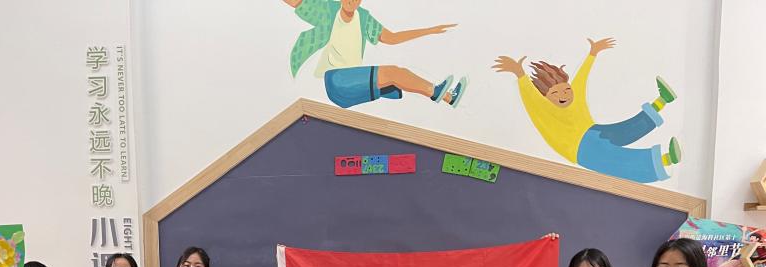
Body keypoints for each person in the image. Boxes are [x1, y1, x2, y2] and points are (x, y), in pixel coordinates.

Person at [494, 38, 681, 183]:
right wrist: (520, 73)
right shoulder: (544, 109)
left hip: (591, 132)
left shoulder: (575, 96)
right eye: (555, 93)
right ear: (546, 97)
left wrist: (593, 53)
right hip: (580, 149)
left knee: (626, 129)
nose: (564, 95)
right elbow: (531, 98)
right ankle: (666, 160)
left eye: (566, 89)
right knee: (618, 160)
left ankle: (662, 100)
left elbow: (581, 78)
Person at [283, 0, 466, 109]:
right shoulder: (327, 10)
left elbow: (392, 38)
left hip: (353, 85)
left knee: (400, 77)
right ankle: (436, 91)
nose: (352, 1)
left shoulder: (364, 19)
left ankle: (448, 97)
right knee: (393, 73)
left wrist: (429, 30)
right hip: (337, 81)